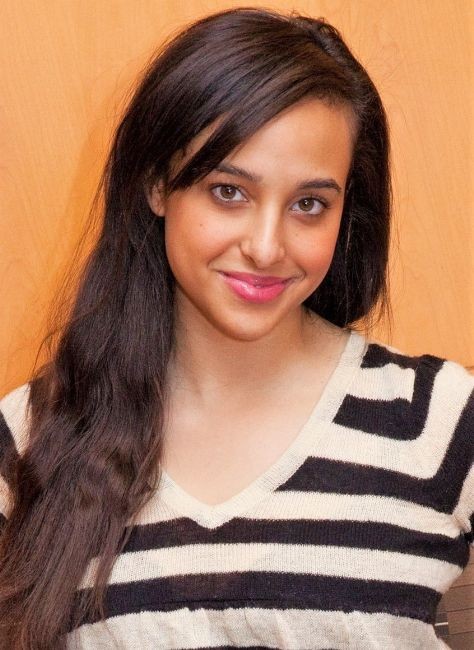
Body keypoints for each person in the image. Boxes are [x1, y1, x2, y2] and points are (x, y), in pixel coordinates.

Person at [0, 6, 472, 649]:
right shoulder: (32, 437)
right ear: (158, 184)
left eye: (309, 204)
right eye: (229, 191)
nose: (266, 247)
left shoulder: (435, 420)